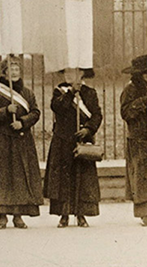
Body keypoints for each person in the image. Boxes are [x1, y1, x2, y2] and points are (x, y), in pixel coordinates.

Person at [0, 55, 43, 229]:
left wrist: (22, 122)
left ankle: (18, 215)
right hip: (1, 140)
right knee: (2, 177)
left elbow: (36, 112)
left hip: (21, 139)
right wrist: (6, 111)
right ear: (4, 72)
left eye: (17, 69)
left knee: (19, 177)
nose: (14, 72)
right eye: (11, 70)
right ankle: (2, 216)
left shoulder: (27, 93)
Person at [43, 68, 102, 228]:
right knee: (63, 179)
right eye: (65, 73)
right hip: (63, 141)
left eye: (72, 73)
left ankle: (81, 214)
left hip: (82, 140)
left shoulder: (90, 92)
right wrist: (71, 93)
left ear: (81, 74)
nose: (67, 75)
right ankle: (64, 215)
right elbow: (58, 107)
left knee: (82, 179)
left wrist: (88, 129)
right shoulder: (59, 91)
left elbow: (97, 114)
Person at [120, 55, 147, 226]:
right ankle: (144, 212)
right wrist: (142, 103)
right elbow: (126, 114)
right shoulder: (130, 90)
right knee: (140, 176)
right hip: (138, 138)